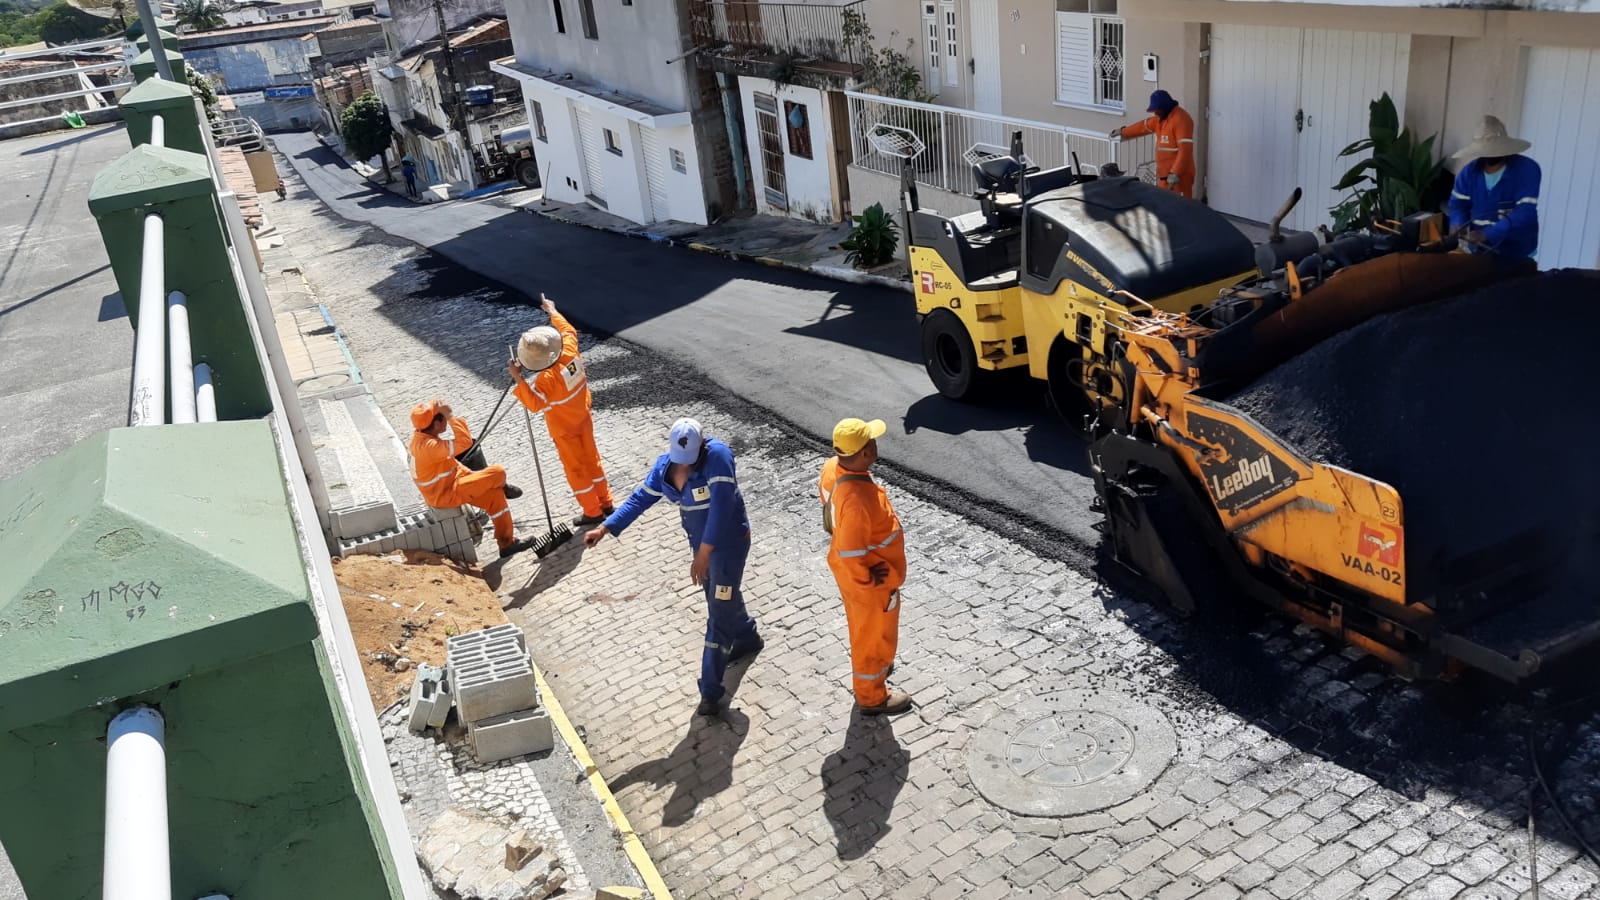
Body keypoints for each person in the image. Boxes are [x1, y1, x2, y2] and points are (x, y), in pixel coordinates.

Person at [584, 418, 763, 717]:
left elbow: (721, 508)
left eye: (689, 461)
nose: (684, 468)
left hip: (727, 545)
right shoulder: (665, 467)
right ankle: (746, 636)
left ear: (702, 444)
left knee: (718, 611)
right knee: (721, 593)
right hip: (702, 549)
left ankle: (710, 690)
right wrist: (605, 528)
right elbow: (640, 498)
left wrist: (704, 554)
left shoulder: (718, 457)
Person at [819, 417, 911, 716]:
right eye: (871, 441)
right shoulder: (857, 501)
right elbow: (849, 549)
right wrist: (868, 577)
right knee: (871, 635)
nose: (875, 443)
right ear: (865, 452)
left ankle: (879, 668)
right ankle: (872, 696)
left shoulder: (834, 467)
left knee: (869, 631)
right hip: (869, 580)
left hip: (857, 575)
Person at [508, 294, 615, 527]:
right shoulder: (569, 351)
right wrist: (552, 311)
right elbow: (568, 330)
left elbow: (535, 403)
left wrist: (517, 377)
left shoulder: (546, 380)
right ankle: (606, 502)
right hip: (583, 416)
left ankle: (592, 511)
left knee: (576, 470)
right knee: (593, 461)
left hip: (564, 430)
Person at [409, 399, 531, 559]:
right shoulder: (428, 447)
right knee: (497, 471)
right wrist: (452, 416)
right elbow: (465, 442)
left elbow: (453, 466)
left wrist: (474, 477)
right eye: (443, 418)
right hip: (446, 493)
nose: (446, 419)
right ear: (437, 425)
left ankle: (506, 543)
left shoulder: (423, 440)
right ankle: (503, 485)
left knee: (495, 498)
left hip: (454, 483)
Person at [1447, 115, 1540, 262]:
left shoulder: (1527, 169)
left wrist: (1487, 234)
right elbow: (1458, 206)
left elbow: (1525, 213)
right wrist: (1458, 225)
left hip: (1517, 252)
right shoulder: (1468, 173)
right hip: (1479, 252)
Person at [1110, 89, 1196, 198]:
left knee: (1181, 208)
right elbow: (1143, 126)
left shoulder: (1181, 119)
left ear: (1165, 106)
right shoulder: (1160, 119)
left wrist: (1175, 172)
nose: (1155, 113)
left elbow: (1185, 150)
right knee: (1163, 205)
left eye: (1157, 110)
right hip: (1164, 176)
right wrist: (1122, 131)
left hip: (1180, 177)